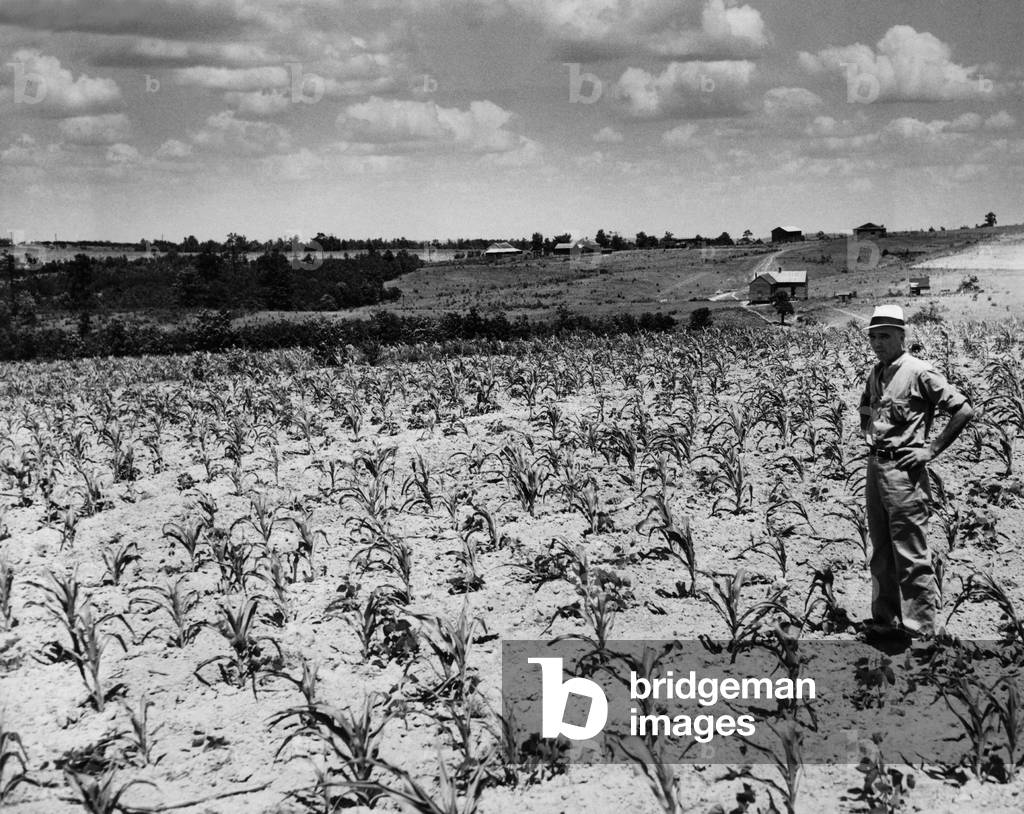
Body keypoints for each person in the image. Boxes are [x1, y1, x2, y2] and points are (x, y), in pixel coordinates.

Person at [858, 305, 974, 642]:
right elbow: (867, 405)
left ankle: (921, 630)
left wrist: (930, 449)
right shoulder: (877, 372)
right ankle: (885, 620)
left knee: (910, 552)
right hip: (876, 467)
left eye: (885, 336)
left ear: (901, 336)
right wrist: (869, 428)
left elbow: (963, 409)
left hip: (903, 472)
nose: (877, 342)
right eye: (873, 336)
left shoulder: (919, 372)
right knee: (880, 551)